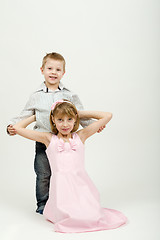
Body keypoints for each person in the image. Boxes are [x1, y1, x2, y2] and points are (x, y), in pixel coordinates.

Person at [7, 52, 105, 214]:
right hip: (43, 140)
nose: (53, 72)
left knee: (63, 174)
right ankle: (43, 205)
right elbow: (25, 114)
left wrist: (93, 125)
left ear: (63, 73)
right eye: (50, 68)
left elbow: (78, 113)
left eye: (58, 69)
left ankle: (62, 202)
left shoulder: (69, 94)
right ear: (42, 70)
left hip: (64, 140)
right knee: (44, 173)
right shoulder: (36, 96)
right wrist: (13, 126)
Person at [12, 99, 127, 233]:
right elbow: (17, 128)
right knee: (70, 216)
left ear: (75, 119)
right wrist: (35, 116)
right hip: (61, 190)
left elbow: (107, 115)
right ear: (53, 120)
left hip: (81, 186)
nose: (65, 124)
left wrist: (79, 113)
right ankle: (64, 210)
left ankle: (84, 208)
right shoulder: (48, 139)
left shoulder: (81, 135)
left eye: (69, 119)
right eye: (60, 119)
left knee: (91, 215)